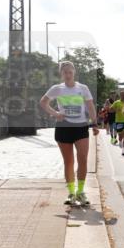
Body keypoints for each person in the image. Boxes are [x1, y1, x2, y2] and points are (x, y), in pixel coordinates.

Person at [39, 62, 100, 206]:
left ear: (74, 73)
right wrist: (55, 113)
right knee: (69, 162)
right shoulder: (57, 89)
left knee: (83, 159)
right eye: (64, 72)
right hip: (63, 127)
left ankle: (81, 192)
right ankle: (71, 193)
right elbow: (43, 102)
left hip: (80, 127)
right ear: (61, 74)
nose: (67, 75)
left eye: (70, 72)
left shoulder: (82, 88)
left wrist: (95, 123)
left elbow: (90, 106)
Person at [110, 90, 124, 155]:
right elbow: (110, 109)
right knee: (120, 136)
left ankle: (123, 150)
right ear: (120, 95)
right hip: (119, 121)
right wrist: (116, 110)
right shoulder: (116, 102)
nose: (123, 96)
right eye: (122, 95)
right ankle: (120, 141)